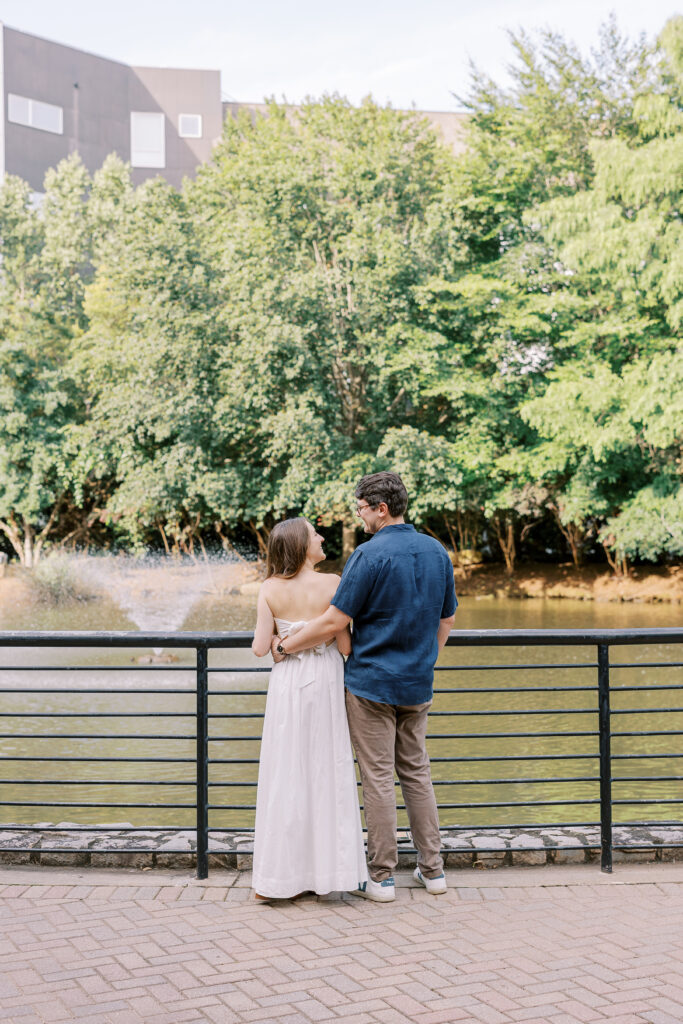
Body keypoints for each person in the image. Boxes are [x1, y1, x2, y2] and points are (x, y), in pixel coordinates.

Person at [272, 471, 457, 902]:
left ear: (381, 508)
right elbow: (445, 619)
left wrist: (285, 645)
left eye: (361, 509)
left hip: (371, 683)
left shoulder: (368, 556)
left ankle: (383, 876)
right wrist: (425, 659)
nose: (360, 517)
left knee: (376, 778)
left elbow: (336, 621)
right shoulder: (436, 551)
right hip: (417, 683)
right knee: (416, 773)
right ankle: (434, 871)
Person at [250, 517, 368, 901]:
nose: (321, 537)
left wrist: (284, 641)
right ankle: (329, 876)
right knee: (325, 770)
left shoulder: (268, 588)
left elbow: (258, 648)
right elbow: (346, 647)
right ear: (301, 546)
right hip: (326, 682)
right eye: (315, 534)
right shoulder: (333, 584)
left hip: (288, 685)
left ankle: (278, 881)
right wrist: (317, 631)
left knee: (287, 771)